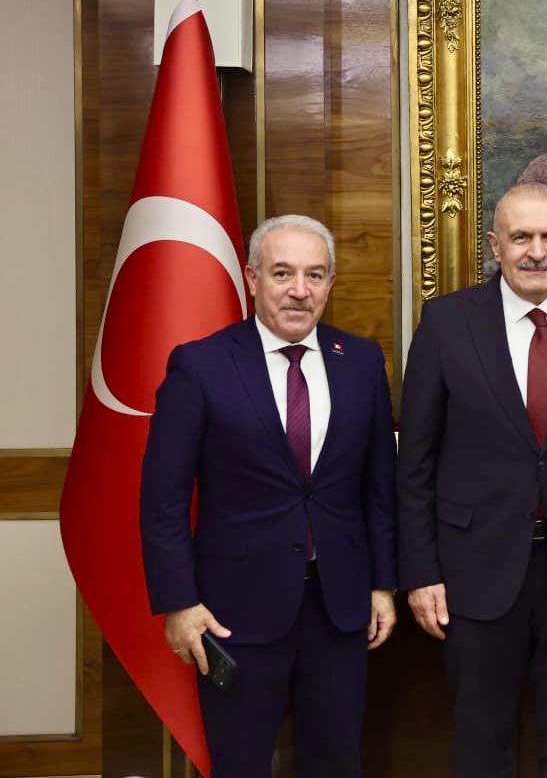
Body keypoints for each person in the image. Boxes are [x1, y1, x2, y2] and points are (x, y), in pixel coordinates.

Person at [397, 183, 547, 777]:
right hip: (473, 570)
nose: (537, 251)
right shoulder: (447, 324)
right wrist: (421, 572)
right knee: (482, 750)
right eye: (521, 237)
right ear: (495, 245)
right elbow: (416, 463)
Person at [139, 214, 397, 777]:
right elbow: (162, 500)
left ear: (330, 283)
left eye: (314, 275)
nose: (299, 290)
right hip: (233, 612)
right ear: (252, 279)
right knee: (241, 764)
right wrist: (179, 603)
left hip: (339, 606)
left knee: (336, 761)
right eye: (283, 273)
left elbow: (379, 488)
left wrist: (382, 584)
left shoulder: (361, 363)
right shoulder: (201, 365)